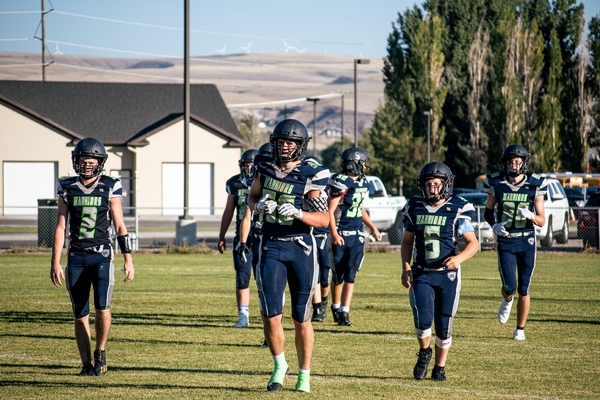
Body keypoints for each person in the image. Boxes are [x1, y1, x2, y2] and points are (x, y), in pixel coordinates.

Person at [247, 119, 330, 393]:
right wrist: (258, 205)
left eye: (290, 143)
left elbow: (324, 219)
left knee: (300, 317)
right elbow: (252, 195)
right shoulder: (264, 163)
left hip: (300, 248)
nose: (284, 147)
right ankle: (279, 365)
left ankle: (304, 374)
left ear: (300, 146)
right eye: (281, 142)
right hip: (271, 244)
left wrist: (299, 213)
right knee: (271, 315)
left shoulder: (311, 173)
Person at [50, 137, 135, 377]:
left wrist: (128, 259)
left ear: (99, 163)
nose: (87, 165)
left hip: (101, 256)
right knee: (80, 314)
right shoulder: (67, 186)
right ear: (76, 161)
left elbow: (120, 225)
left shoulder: (110, 185)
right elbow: (60, 227)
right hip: (76, 257)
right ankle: (86, 364)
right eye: (83, 161)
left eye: (91, 161)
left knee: (102, 307)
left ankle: (101, 351)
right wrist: (55, 261)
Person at [401, 161, 479, 382]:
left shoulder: (457, 208)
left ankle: (439, 368)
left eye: (436, 184)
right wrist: (406, 266)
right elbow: (407, 242)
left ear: (445, 185)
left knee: (444, 324)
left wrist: (459, 258)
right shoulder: (414, 206)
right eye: (428, 184)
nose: (432, 188)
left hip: (447, 274)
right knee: (423, 320)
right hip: (422, 272)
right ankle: (425, 352)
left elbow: (473, 243)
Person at [483, 144, 546, 341]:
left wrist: (532, 216)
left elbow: (542, 220)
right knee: (510, 286)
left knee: (524, 287)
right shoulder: (496, 183)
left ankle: (520, 329)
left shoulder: (534, 184)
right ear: (505, 163)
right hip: (506, 240)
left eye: (518, 161)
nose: (514, 165)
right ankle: (507, 298)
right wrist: (494, 226)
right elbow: (487, 212)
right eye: (511, 161)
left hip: (527, 240)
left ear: (524, 163)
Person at [328, 147, 382, 326]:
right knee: (338, 275)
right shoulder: (340, 182)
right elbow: (329, 210)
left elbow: (359, 208)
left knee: (351, 273)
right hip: (340, 233)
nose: (365, 167)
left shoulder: (363, 183)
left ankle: (344, 312)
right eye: (363, 163)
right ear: (354, 164)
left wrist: (372, 227)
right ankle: (335, 307)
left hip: (357, 234)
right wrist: (334, 233)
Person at [218, 148, 258, 328]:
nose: (249, 169)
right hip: (241, 236)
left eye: (252, 165)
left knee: (266, 278)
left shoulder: (267, 181)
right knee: (242, 276)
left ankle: (270, 315)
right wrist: (221, 236)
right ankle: (243, 316)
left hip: (262, 235)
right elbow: (229, 211)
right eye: (246, 165)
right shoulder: (234, 183)